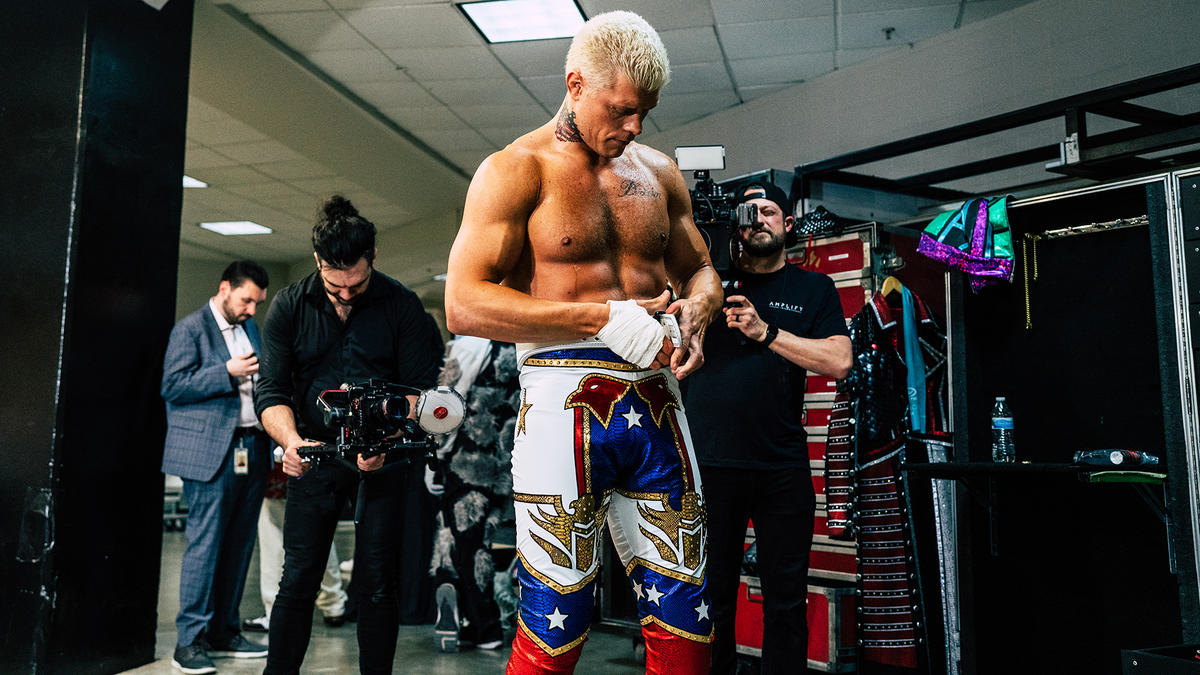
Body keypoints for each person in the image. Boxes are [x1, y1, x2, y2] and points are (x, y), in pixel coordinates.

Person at [444, 11, 723, 673]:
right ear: (576, 83)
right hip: (562, 406)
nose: (634, 128)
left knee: (690, 626)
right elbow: (463, 302)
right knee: (555, 625)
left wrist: (703, 303)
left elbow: (701, 267)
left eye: (644, 113)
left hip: (659, 404)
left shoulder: (659, 171)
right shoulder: (515, 169)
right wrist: (598, 316)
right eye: (622, 110)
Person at [254, 195, 441, 675]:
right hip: (313, 451)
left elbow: (419, 397)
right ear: (319, 263)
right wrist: (289, 442)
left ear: (373, 260)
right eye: (335, 285)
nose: (345, 294)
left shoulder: (401, 305)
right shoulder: (290, 306)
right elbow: (272, 390)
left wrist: (387, 441)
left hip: (381, 456)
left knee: (377, 583)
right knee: (297, 580)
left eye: (356, 285)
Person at [682, 182, 852, 675]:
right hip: (711, 464)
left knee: (785, 601)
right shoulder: (707, 286)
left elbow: (840, 361)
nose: (758, 219)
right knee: (711, 601)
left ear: (788, 225)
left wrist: (767, 333)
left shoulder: (812, 288)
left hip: (781, 468)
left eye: (770, 211)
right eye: (748, 212)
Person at [161, 260, 271, 674]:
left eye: (257, 303)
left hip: (250, 447)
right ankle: (189, 643)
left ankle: (224, 631)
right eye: (246, 300)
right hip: (209, 454)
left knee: (240, 545)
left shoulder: (250, 329)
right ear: (224, 288)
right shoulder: (190, 330)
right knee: (205, 548)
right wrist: (225, 371)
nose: (251, 310)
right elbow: (172, 385)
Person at [427, 337, 520, 653]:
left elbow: (448, 405)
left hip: (467, 460)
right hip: (504, 458)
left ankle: (484, 624)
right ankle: (466, 615)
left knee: (466, 541)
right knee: (472, 536)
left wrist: (437, 454)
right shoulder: (522, 342)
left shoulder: (469, 344)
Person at [240, 462, 349, 634]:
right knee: (319, 530)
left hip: (285, 457)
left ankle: (274, 611)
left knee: (273, 530)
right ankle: (333, 602)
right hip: (318, 459)